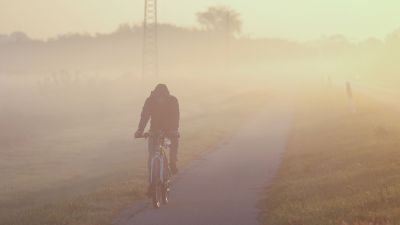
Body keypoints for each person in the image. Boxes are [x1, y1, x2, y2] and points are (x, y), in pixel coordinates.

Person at [135, 84, 180, 178]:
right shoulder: (149, 101)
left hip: (170, 129)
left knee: (174, 142)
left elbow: (176, 117)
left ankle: (172, 163)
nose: (160, 100)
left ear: (167, 96)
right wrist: (140, 130)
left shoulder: (173, 101)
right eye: (158, 97)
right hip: (154, 129)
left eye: (162, 97)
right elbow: (144, 116)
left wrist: (174, 130)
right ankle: (151, 182)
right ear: (154, 95)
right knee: (151, 155)